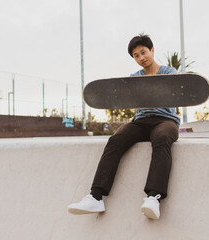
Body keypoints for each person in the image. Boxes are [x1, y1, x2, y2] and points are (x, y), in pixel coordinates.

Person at [68, 34, 180, 220]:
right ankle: (96, 197)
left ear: (152, 50)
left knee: (161, 139)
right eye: (136, 55)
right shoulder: (134, 78)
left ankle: (154, 197)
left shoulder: (169, 72)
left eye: (143, 52)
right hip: (141, 121)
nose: (141, 58)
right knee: (115, 140)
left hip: (165, 120)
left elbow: (176, 97)